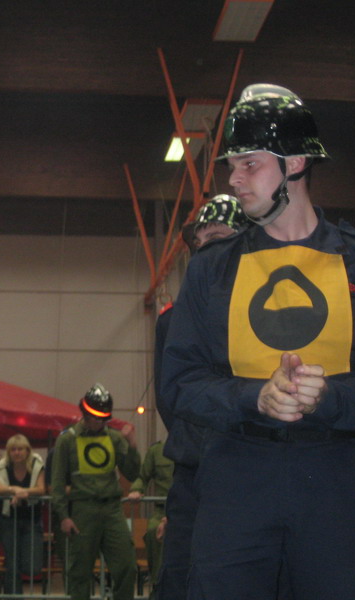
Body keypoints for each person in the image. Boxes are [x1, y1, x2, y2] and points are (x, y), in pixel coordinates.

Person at [159, 83, 355, 599]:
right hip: (234, 480)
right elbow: (180, 382)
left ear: (295, 163)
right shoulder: (211, 270)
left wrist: (330, 398)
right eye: (232, 166)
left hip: (335, 482)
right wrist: (254, 397)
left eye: (249, 164)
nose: (233, 179)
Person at [154, 194, 247, 600]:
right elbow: (168, 396)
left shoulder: (270, 314)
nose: (205, 247)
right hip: (194, 470)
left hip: (253, 467)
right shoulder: (172, 320)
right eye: (200, 239)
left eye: (218, 237)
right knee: (180, 574)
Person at [51, 383, 141, 600]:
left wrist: (132, 446)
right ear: (85, 413)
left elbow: (132, 473)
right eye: (96, 418)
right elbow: (57, 482)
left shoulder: (114, 438)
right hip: (83, 510)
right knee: (79, 573)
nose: (100, 422)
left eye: (104, 419)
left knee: (127, 566)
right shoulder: (68, 439)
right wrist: (63, 516)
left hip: (112, 510)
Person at [0, 432, 46, 594]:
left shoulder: (36, 463)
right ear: (9, 452)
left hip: (32, 520)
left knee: (33, 567)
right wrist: (14, 489)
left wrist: (24, 492)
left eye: (20, 449)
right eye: (13, 449)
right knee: (12, 565)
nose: (17, 453)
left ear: (27, 451)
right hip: (9, 520)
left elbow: (41, 489)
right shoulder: (3, 465)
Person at [127, 439, 174, 595]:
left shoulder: (197, 446)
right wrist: (136, 489)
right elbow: (142, 476)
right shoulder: (157, 451)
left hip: (188, 510)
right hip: (162, 510)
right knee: (154, 532)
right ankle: (157, 586)